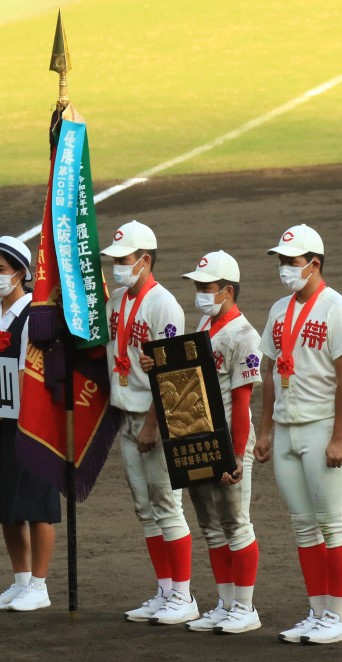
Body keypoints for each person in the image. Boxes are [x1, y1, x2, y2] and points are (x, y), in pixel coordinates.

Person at [253, 224, 342, 645]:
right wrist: (265, 431)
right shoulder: (279, 310)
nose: (284, 269)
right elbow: (269, 374)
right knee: (303, 526)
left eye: (291, 262)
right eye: (281, 261)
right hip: (286, 430)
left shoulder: (338, 309)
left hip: (322, 429)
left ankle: (338, 615)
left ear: (314, 263)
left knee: (334, 524)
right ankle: (318, 612)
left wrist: (338, 436)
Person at [150, 251, 265, 634]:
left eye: (206, 287)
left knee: (236, 523)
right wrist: (157, 365)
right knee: (211, 525)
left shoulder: (245, 335)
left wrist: (237, 454)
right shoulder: (206, 325)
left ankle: (245, 608)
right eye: (198, 286)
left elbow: (244, 400)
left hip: (230, 440)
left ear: (227, 291)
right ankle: (226, 602)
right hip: (198, 437)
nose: (200, 293)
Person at [101, 220, 193, 625]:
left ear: (145, 261)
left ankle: (184, 595)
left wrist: (155, 424)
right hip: (125, 415)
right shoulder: (116, 301)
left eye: (123, 260)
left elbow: (170, 373)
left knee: (167, 505)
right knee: (145, 508)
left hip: (153, 420)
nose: (116, 267)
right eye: (114, 260)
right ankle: (165, 588)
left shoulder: (164, 306)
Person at [0, 235, 59, 612]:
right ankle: (21, 582)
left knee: (36, 503)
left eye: (1, 270)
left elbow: (25, 376)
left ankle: (40, 584)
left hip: (30, 426)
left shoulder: (34, 316)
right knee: (6, 503)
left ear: (21, 272)